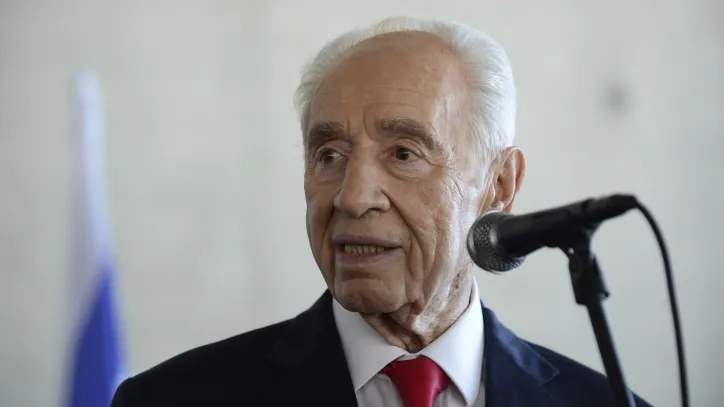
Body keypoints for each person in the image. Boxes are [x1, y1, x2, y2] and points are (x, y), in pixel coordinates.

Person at [111, 17, 652, 407]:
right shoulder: (172, 398)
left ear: (500, 184)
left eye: (404, 154)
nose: (352, 197)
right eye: (329, 155)